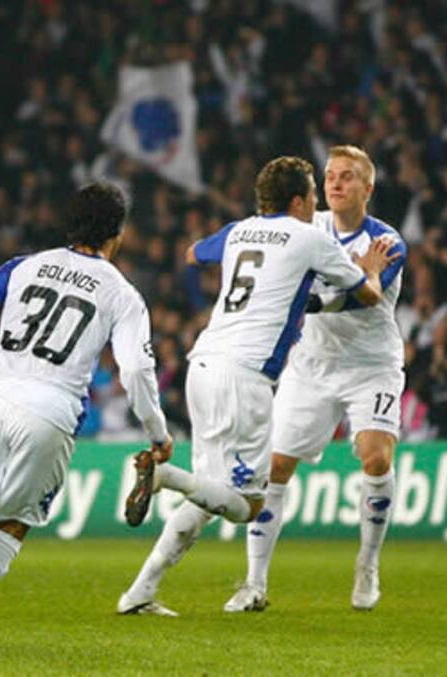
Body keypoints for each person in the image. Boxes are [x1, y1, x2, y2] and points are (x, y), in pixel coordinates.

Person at [117, 156, 398, 616]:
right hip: (244, 376)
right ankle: (166, 477)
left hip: (203, 363)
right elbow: (368, 294)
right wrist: (368, 267)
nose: (318, 200)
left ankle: (139, 592)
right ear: (298, 201)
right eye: (314, 192)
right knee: (247, 504)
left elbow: (193, 254)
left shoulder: (239, 230)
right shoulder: (311, 238)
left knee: (207, 497)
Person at [0, 181, 171, 640]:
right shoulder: (122, 294)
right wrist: (157, 432)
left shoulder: (26, 265)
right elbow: (137, 371)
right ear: (117, 234)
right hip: (50, 412)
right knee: (13, 526)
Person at [225, 145, 408, 613]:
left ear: (368, 188)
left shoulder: (386, 242)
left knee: (375, 459)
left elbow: (361, 297)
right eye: (330, 176)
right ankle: (254, 582)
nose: (335, 183)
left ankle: (368, 565)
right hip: (312, 365)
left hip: (371, 365)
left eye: (347, 176)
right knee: (274, 468)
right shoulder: (307, 229)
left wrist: (311, 300)